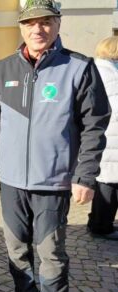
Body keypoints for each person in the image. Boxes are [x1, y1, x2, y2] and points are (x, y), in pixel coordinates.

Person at [0, 1, 111, 292]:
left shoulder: (79, 67)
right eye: (30, 23)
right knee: (15, 248)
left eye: (46, 21)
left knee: (49, 250)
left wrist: (85, 175)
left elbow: (95, 124)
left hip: (53, 182)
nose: (38, 29)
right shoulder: (3, 68)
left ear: (58, 24)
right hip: (11, 181)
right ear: (21, 27)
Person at [87, 36, 118, 240]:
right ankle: (101, 225)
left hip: (106, 136)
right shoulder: (110, 74)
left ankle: (98, 221)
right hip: (111, 137)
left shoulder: (99, 69)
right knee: (109, 185)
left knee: (106, 183)